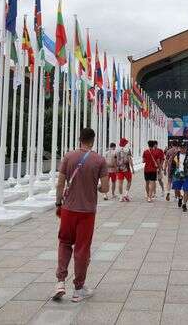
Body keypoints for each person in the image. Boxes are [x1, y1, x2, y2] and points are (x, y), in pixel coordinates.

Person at [54, 127, 110, 302]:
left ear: (80, 139)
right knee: (82, 249)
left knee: (64, 243)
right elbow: (106, 188)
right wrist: (96, 187)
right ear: (93, 140)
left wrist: (58, 203)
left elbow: (60, 184)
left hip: (68, 210)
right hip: (87, 212)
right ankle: (78, 288)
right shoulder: (99, 160)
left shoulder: (68, 156)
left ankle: (60, 282)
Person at [171, 145, 188, 212]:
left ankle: (184, 204)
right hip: (177, 175)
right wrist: (171, 173)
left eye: (184, 148)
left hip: (187, 175)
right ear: (179, 148)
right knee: (176, 190)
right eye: (181, 147)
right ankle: (180, 197)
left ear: (186, 148)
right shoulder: (175, 156)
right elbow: (172, 165)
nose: (183, 149)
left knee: (186, 190)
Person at [115, 138, 133, 202]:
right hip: (126, 169)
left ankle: (120, 197)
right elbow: (130, 159)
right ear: (125, 143)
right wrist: (132, 168)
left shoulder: (116, 150)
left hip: (119, 169)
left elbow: (114, 160)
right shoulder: (127, 150)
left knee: (120, 183)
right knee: (129, 181)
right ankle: (126, 194)